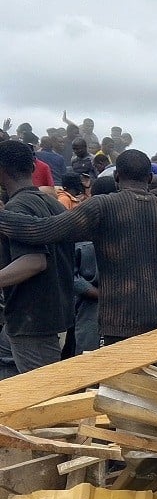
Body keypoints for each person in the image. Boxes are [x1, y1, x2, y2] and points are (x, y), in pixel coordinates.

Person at [0, 149, 157, 346]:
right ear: (149, 178)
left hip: (118, 323)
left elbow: (43, 230)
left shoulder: (102, 207)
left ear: (117, 176)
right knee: (156, 393)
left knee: (120, 394)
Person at [0, 140, 74, 373]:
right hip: (54, 315)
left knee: (44, 397)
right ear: (33, 168)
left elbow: (33, 262)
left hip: (32, 320)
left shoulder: (17, 208)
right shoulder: (54, 205)